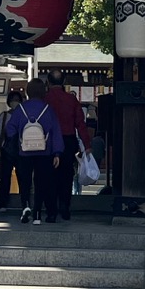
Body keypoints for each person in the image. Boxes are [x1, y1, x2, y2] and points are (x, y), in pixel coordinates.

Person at [3, 79, 63, 224]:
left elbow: (10, 129)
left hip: (24, 152)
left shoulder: (21, 109)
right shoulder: (47, 109)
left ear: (28, 91)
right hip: (44, 152)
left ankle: (26, 206)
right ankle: (38, 214)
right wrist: (57, 153)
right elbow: (55, 131)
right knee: (42, 182)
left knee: (25, 181)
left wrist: (17, 139)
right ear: (43, 91)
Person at [43, 74, 91, 223]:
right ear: (63, 81)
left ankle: (51, 211)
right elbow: (80, 124)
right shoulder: (71, 99)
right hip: (68, 141)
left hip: (48, 141)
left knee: (49, 177)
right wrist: (87, 145)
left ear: (48, 82)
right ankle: (65, 207)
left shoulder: (44, 99)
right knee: (66, 176)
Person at [0, 88, 23, 213]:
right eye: (13, 100)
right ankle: (2, 202)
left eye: (17, 100)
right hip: (7, 149)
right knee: (5, 177)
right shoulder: (4, 116)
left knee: (22, 177)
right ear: (9, 102)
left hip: (21, 149)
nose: (15, 102)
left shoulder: (23, 116)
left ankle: (24, 201)